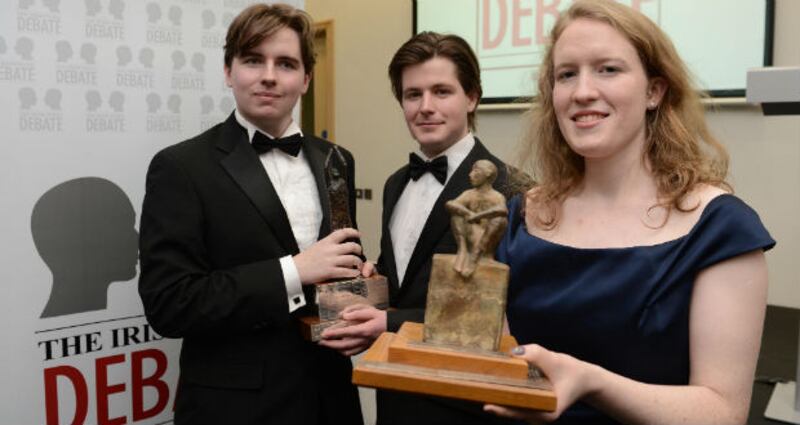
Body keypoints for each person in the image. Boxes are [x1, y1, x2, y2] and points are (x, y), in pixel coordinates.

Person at [484, 1, 775, 424]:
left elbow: (723, 413)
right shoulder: (518, 217)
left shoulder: (720, 229)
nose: (583, 91)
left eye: (608, 69)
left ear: (654, 91)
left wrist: (591, 382)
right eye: (567, 74)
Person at [138, 4, 363, 424]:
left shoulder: (337, 159)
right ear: (229, 71)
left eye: (287, 63)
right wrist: (295, 271)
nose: (269, 76)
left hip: (330, 398)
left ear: (306, 79)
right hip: (235, 408)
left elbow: (339, 267)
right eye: (253, 60)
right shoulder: (181, 167)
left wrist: (357, 282)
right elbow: (169, 303)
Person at [320, 31, 524, 425]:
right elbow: (412, 277)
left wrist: (388, 323)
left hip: (467, 401)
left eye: (442, 91)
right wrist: (376, 275)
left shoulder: (513, 188)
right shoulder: (396, 183)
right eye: (413, 95)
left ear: (472, 97)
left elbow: (503, 309)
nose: (425, 107)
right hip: (396, 390)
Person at [446, 160, 508, 278]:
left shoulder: (496, 196)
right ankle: (462, 249)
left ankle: (475, 257)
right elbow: (451, 204)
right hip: (470, 233)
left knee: (499, 219)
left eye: (476, 171)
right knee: (456, 214)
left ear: (488, 174)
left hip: (487, 238)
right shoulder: (469, 194)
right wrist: (467, 212)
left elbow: (503, 210)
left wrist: (478, 216)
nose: (470, 174)